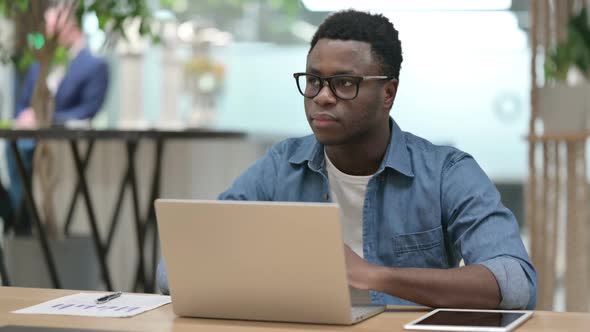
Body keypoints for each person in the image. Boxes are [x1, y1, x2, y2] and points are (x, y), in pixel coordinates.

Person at [157, 10, 537, 310]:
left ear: (388, 93)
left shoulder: (446, 172)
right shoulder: (281, 166)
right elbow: (174, 271)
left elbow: (515, 282)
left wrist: (374, 276)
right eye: (314, 80)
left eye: (344, 83)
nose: (322, 96)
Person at [4, 4, 109, 234]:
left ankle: (20, 218)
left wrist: (45, 119)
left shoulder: (94, 65)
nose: (47, 32)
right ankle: (18, 217)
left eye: (53, 27)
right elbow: (24, 103)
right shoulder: (39, 64)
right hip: (26, 142)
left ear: (71, 26)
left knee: (24, 150)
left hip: (60, 146)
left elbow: (88, 110)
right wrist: (24, 116)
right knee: (15, 148)